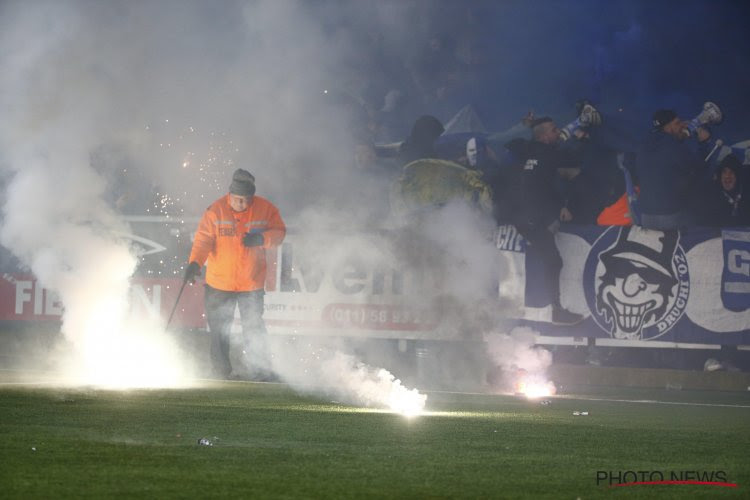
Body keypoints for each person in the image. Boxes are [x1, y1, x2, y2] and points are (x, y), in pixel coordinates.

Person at [185, 169, 286, 379]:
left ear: (252, 196)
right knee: (219, 330)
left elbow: (279, 233)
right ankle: (220, 372)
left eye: (246, 200)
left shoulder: (266, 209)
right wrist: (194, 263)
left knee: (254, 328)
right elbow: (203, 241)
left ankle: (261, 371)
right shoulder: (215, 211)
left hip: (251, 283)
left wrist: (262, 239)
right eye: (238, 199)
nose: (242, 204)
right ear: (229, 195)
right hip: (219, 284)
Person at [494, 117, 584, 325]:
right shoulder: (548, 154)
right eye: (554, 130)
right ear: (544, 136)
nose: (558, 132)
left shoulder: (526, 150)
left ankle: (553, 309)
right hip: (531, 217)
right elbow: (548, 184)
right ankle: (556, 311)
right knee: (553, 261)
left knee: (549, 259)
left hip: (522, 216)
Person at [634, 109, 711, 230]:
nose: (681, 125)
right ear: (668, 126)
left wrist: (681, 135)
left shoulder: (644, 144)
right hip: (670, 213)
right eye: (677, 123)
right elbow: (698, 166)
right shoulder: (672, 146)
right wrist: (704, 143)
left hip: (646, 215)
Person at [704, 154, 750, 226]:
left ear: (738, 176)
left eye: (731, 172)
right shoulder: (711, 195)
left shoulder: (746, 194)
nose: (727, 176)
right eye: (724, 172)